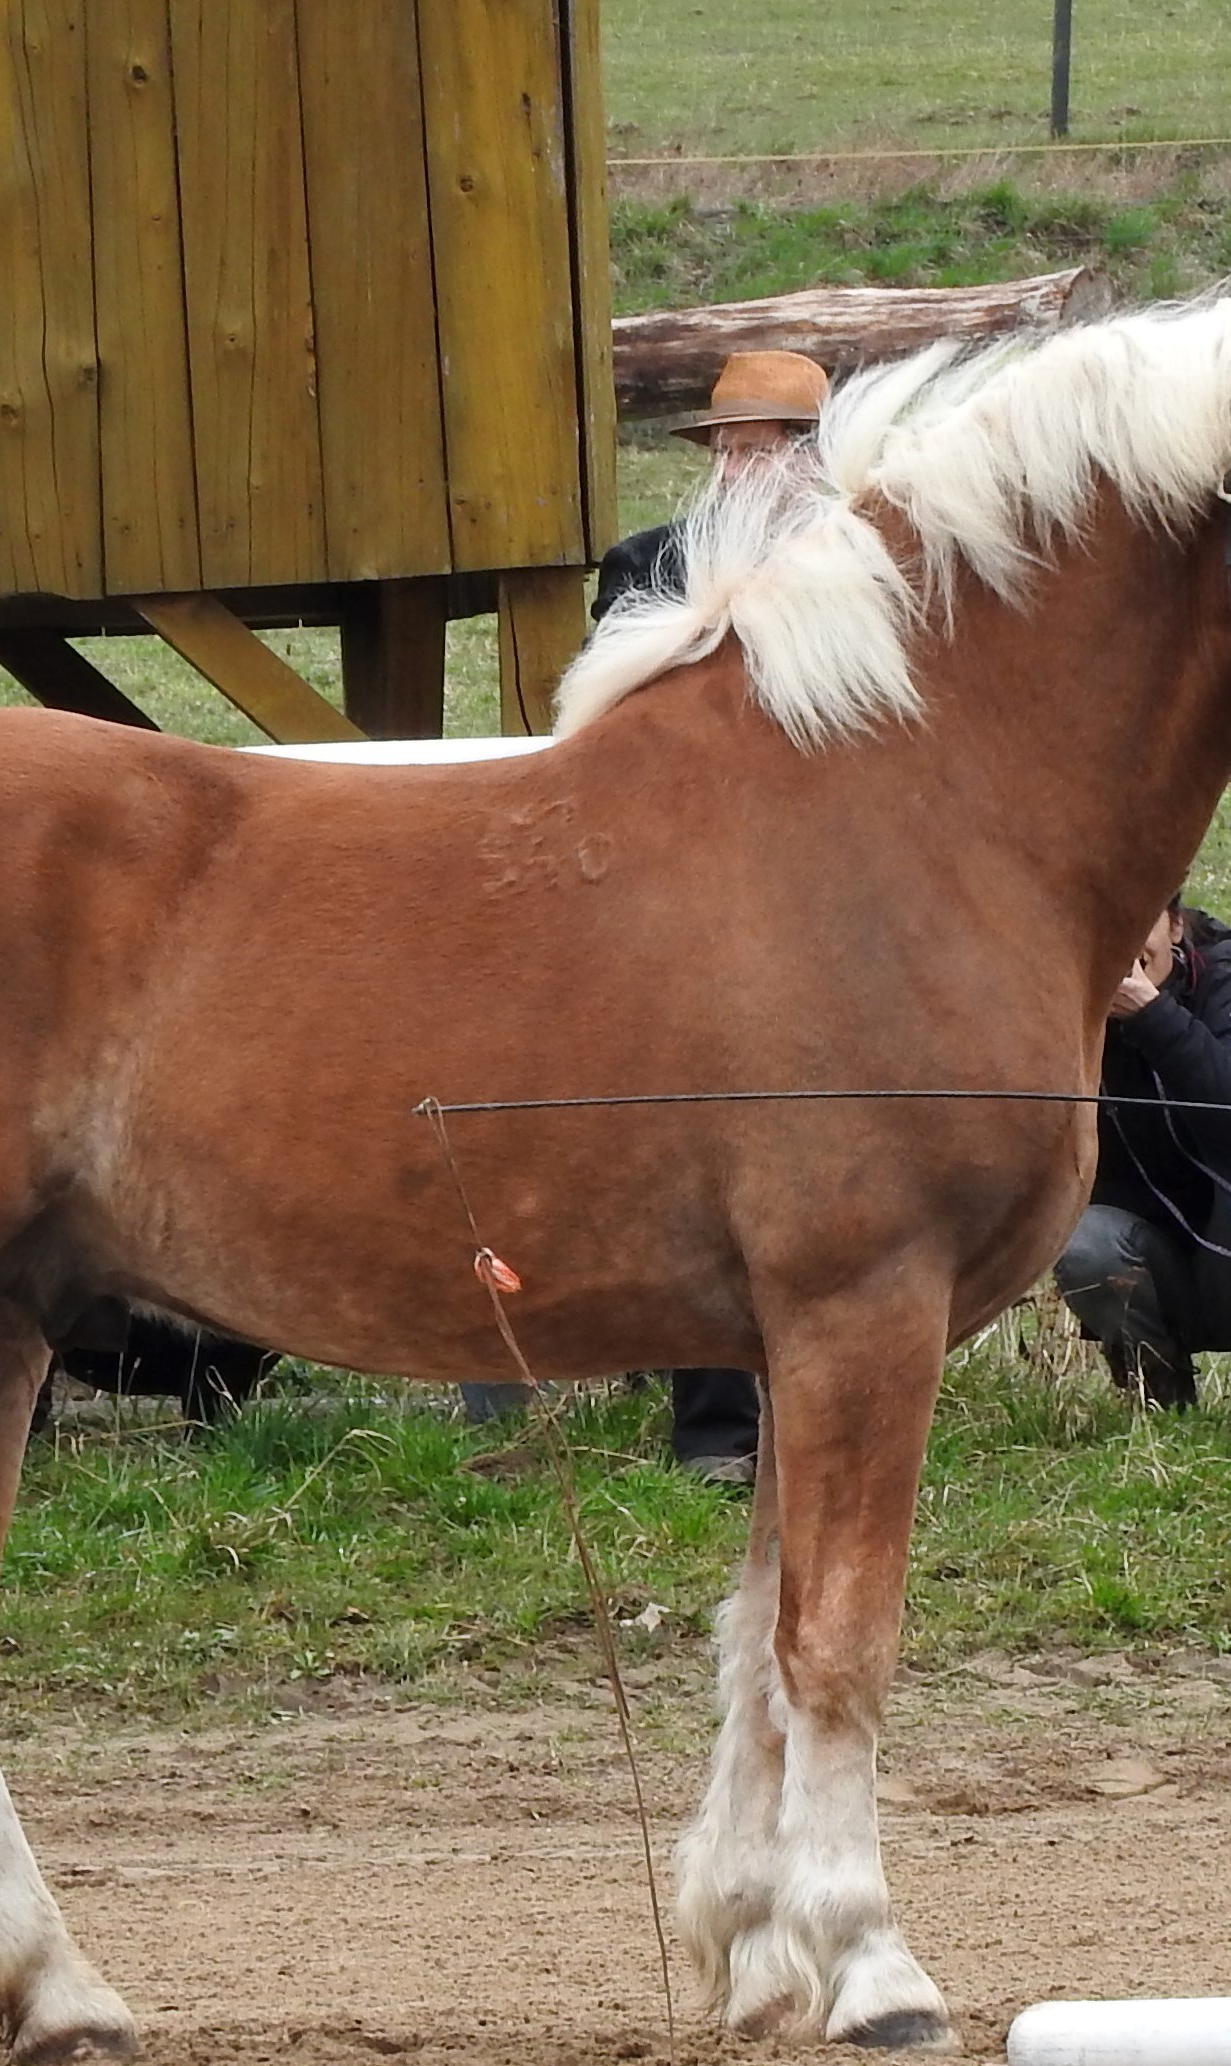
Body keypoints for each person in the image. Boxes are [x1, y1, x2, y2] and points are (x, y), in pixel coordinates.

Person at [472, 349, 836, 1482]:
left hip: (815, 889)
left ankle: (770, 1413)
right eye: (727, 445)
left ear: (808, 458)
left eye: (760, 444)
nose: (737, 464)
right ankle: (698, 1423)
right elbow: (604, 721)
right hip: (666, 879)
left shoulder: (857, 572)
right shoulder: (647, 569)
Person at [1054, 902, 1231, 1425]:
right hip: (1152, 1262)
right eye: (1106, 923)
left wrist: (1154, 1017)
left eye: (1143, 919)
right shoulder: (1063, 1012)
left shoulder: (1224, 991)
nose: (1124, 942)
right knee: (1079, 1239)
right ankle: (1158, 1385)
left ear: (1176, 927)